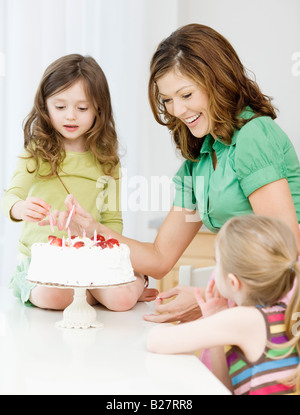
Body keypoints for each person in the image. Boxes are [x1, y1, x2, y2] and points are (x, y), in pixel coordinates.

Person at [41, 24, 300, 322]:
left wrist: (212, 300)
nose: (177, 109)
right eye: (167, 99)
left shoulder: (253, 136)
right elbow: (160, 258)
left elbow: (285, 251)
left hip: (284, 305)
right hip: (245, 303)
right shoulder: (200, 161)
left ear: (219, 82)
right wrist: (92, 230)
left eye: (186, 94)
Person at [1, 54, 157, 310]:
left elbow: (112, 221)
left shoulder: (107, 160)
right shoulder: (37, 151)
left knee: (122, 302)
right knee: (56, 297)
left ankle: (131, 284)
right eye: (60, 107)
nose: (70, 116)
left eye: (82, 108)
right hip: (42, 263)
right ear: (45, 106)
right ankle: (97, 293)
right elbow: (10, 196)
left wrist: (101, 242)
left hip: (89, 258)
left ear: (99, 108)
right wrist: (20, 208)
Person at [147, 215, 300, 395]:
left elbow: (156, 341)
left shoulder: (246, 319)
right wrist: (215, 330)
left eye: (217, 263)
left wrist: (212, 324)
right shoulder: (286, 312)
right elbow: (225, 389)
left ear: (233, 283)